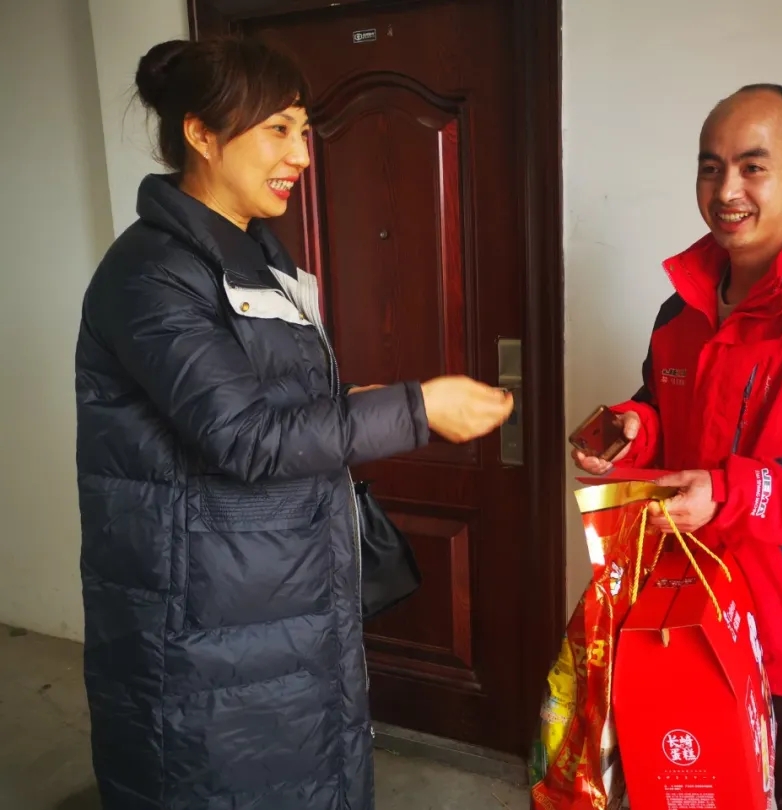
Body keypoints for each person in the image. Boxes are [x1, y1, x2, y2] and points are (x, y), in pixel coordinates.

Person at [74, 36, 513, 810]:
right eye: (278, 129)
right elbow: (243, 436)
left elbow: (266, 400)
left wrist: (357, 396)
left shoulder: (253, 259)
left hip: (279, 592)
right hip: (207, 617)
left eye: (304, 131)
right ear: (201, 133)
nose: (302, 156)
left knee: (309, 775)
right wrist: (417, 409)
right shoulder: (153, 274)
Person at [573, 84, 782, 810]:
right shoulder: (681, 310)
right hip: (690, 613)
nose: (727, 190)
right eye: (710, 167)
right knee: (690, 794)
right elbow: (667, 407)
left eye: (753, 167)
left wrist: (730, 492)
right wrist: (636, 426)